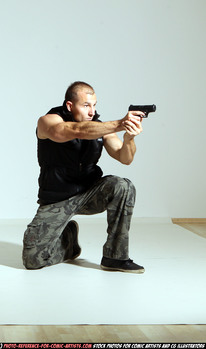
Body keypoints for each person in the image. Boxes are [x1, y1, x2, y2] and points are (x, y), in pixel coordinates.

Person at [22, 81, 146, 273]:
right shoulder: (48, 121)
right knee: (33, 260)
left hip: (90, 194)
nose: (92, 111)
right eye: (86, 105)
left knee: (123, 185)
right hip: (58, 198)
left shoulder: (100, 127)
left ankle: (115, 257)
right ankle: (69, 242)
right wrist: (120, 124)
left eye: (94, 105)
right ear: (70, 106)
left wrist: (129, 139)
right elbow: (74, 131)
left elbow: (125, 157)